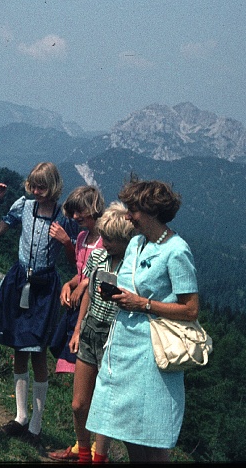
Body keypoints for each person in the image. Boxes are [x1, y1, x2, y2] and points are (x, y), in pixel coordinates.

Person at [85, 179, 199, 463]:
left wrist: (144, 304)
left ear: (152, 212)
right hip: (123, 346)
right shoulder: (136, 243)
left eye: (133, 210)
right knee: (126, 427)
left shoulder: (176, 250)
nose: (127, 216)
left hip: (152, 352)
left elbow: (191, 309)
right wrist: (117, 294)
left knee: (152, 432)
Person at [0, 162, 79, 448]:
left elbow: (76, 263)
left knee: (38, 352)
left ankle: (36, 425)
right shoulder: (24, 206)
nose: (36, 191)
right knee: (18, 347)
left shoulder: (64, 217)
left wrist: (67, 243)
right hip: (20, 279)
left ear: (54, 187)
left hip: (45, 288)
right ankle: (21, 417)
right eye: (33, 185)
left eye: (42, 186)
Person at [49, 202, 136, 464]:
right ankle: (83, 453)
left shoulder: (133, 266)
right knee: (79, 404)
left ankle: (100, 457)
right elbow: (87, 290)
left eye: (110, 239)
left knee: (105, 403)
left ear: (125, 239)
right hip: (90, 330)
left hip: (115, 334)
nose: (105, 243)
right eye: (104, 237)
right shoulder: (99, 257)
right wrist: (77, 330)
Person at [50, 185, 105, 374]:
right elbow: (81, 271)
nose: (75, 216)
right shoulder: (82, 237)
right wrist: (70, 284)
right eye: (73, 212)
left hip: (93, 308)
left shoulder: (106, 240)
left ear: (93, 208)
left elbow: (101, 274)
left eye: (79, 211)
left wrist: (83, 284)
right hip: (76, 306)